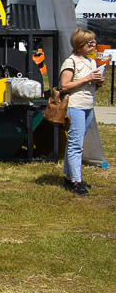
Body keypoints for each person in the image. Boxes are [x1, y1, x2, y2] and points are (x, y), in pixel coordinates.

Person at [59, 28, 103, 195]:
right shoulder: (71, 62)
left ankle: (69, 176)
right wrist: (87, 78)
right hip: (75, 105)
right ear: (79, 44)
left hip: (88, 106)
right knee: (75, 144)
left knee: (76, 143)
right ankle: (77, 181)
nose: (93, 45)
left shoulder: (91, 62)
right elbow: (65, 86)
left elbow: (91, 86)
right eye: (89, 43)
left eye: (94, 42)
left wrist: (98, 82)